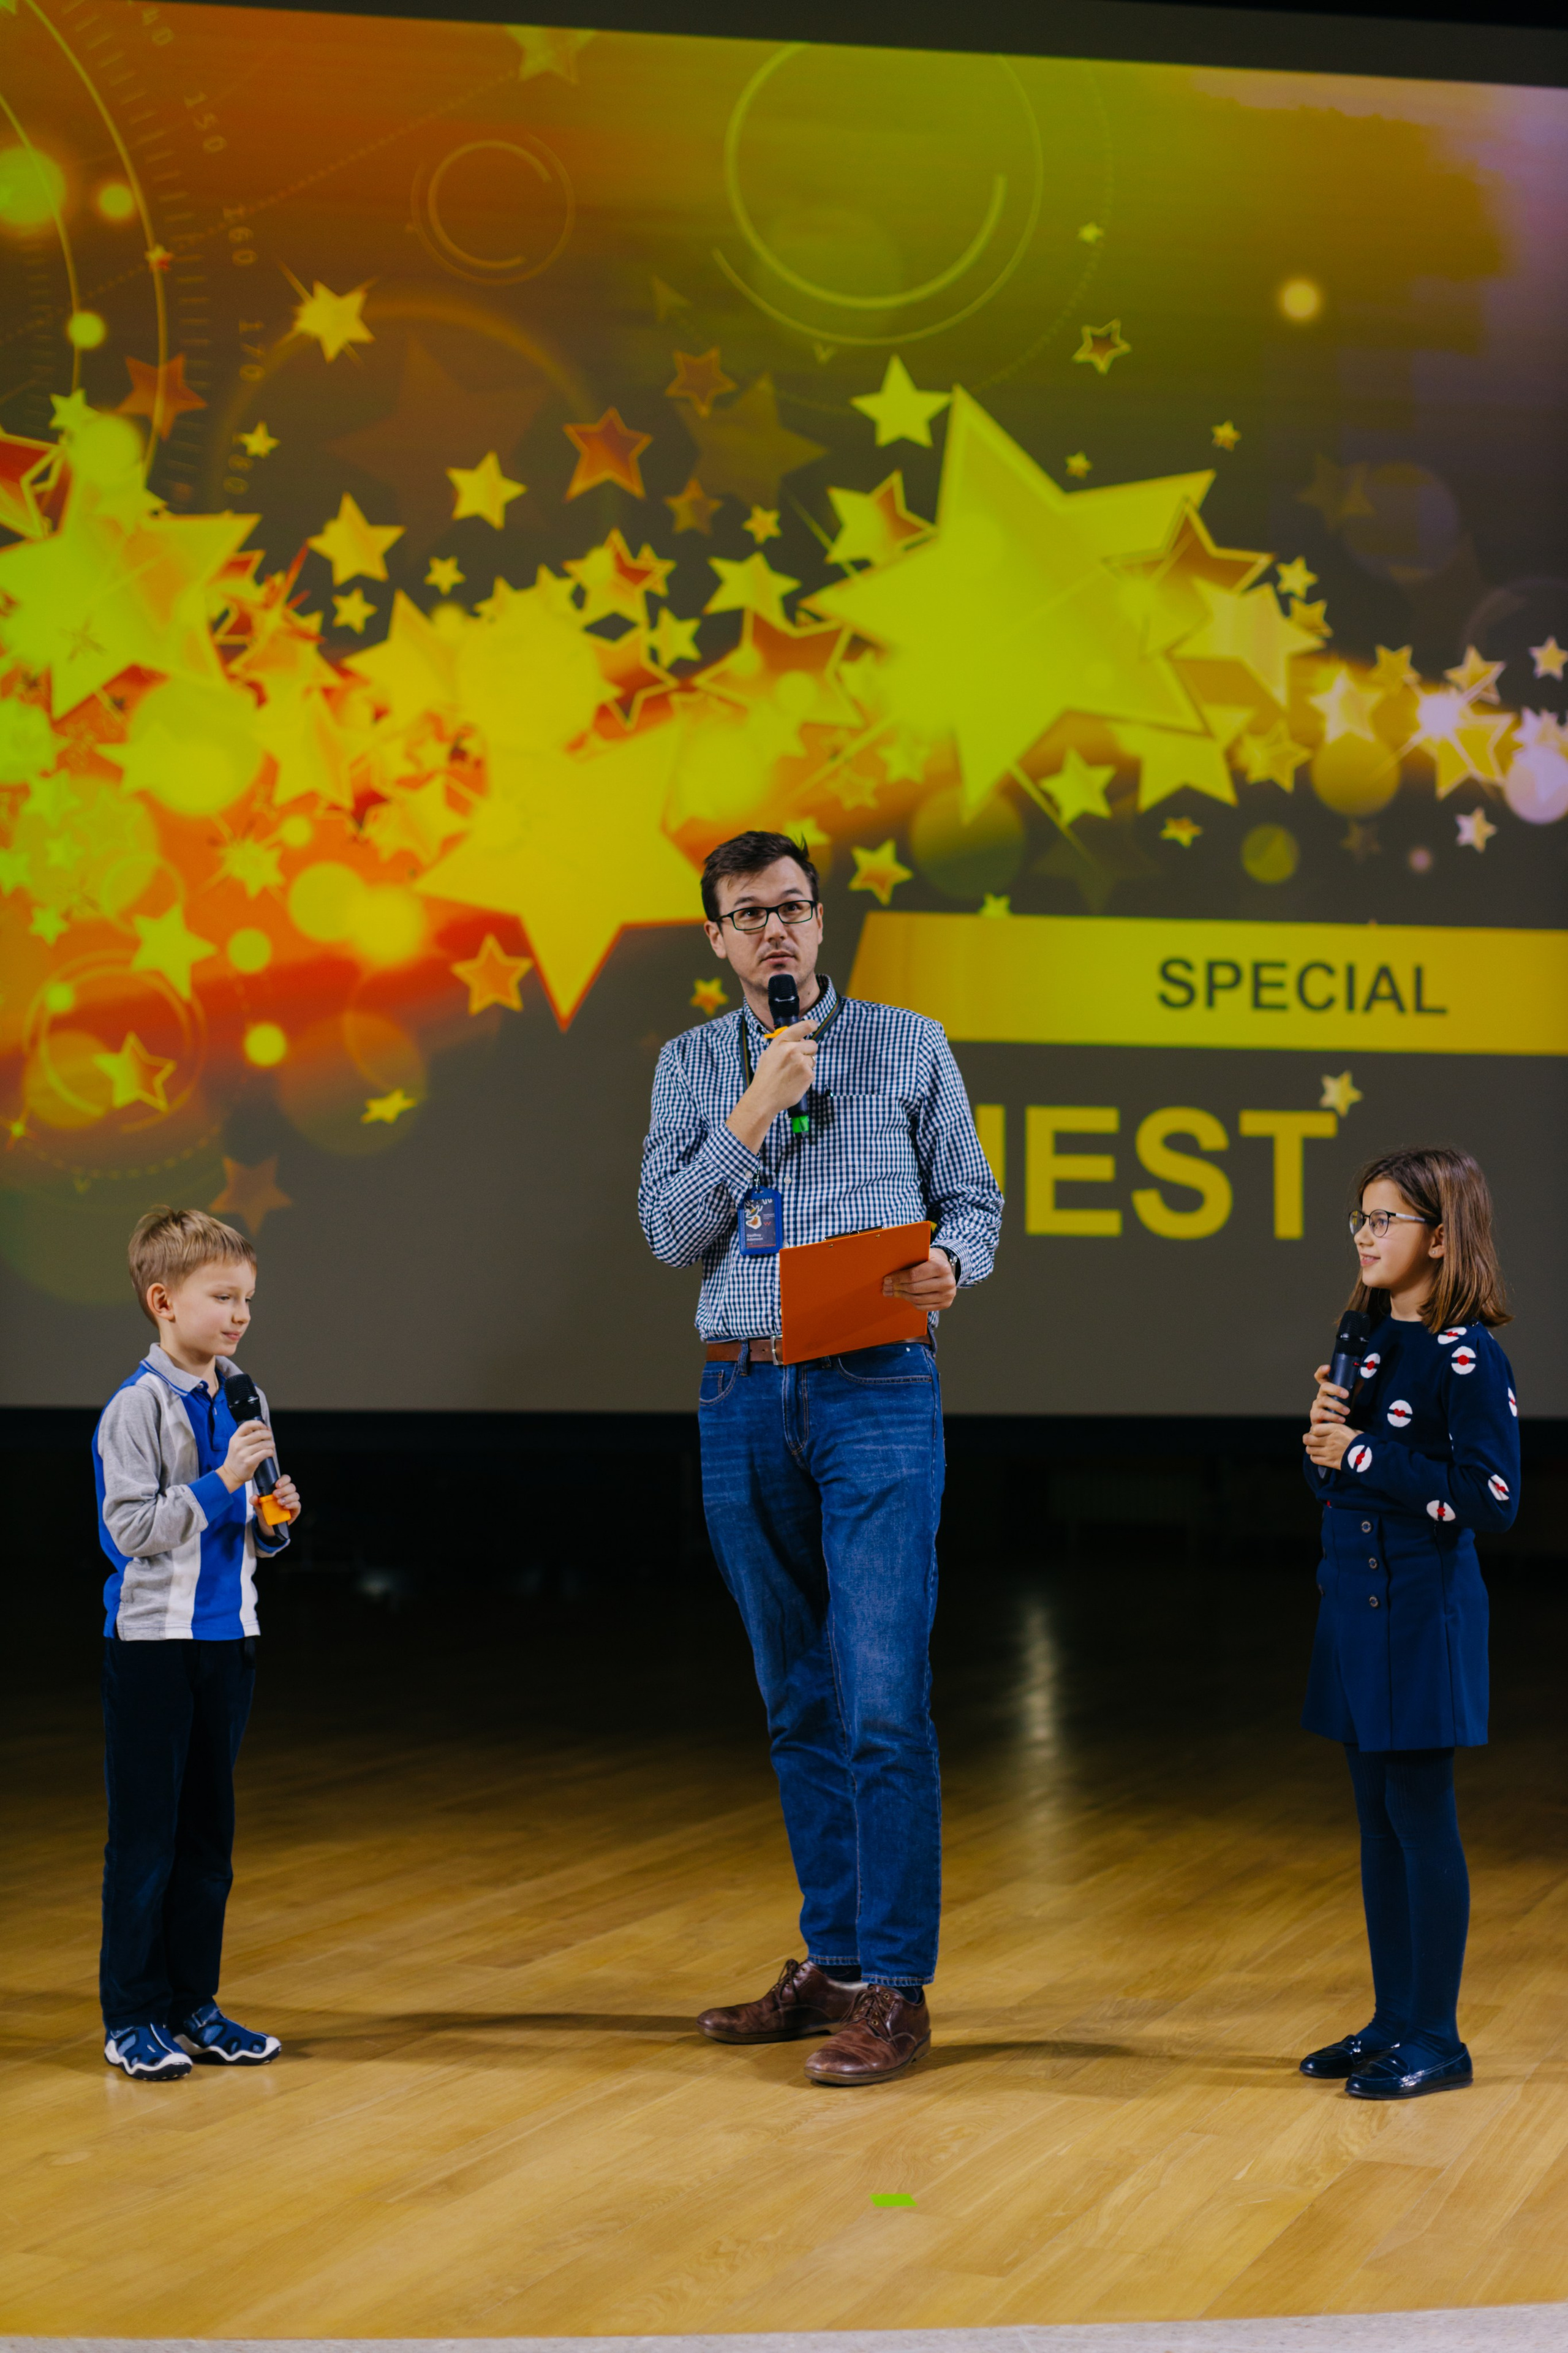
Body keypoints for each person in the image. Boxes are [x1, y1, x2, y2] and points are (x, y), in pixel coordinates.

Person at [638, 830, 1003, 2086]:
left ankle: (895, 1984)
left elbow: (974, 1201)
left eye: (792, 907)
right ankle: (835, 1961)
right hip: (742, 1389)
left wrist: (951, 1262)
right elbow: (669, 1230)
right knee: (796, 1697)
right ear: (717, 938)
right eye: (749, 914)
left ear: (820, 919)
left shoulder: (908, 1043)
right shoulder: (690, 1065)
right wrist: (754, 1107)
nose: (776, 930)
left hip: (875, 1388)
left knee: (881, 1694)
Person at [1299, 1146, 1518, 2101]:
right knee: (1377, 1823)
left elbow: (1491, 1496)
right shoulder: (1363, 1338)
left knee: (1420, 1817)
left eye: (1386, 1218)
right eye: (1361, 1217)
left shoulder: (1468, 1353)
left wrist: (1358, 1455)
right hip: (1354, 1605)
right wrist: (1326, 1441)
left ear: (1440, 1235)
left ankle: (1438, 2035)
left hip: (1422, 1612)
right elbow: (1336, 1477)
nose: (1366, 1234)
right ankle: (1393, 2021)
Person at [95, 1207, 300, 2081]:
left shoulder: (245, 1395)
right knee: (148, 1840)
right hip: (154, 1646)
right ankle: (132, 2015)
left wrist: (273, 1516)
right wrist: (223, 1483)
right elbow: (132, 1529)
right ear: (163, 1301)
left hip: (229, 1638)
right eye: (222, 1297)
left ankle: (193, 2005)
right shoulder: (135, 1409)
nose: (240, 1314)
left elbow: (254, 1525)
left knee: (209, 1841)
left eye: (246, 1298)